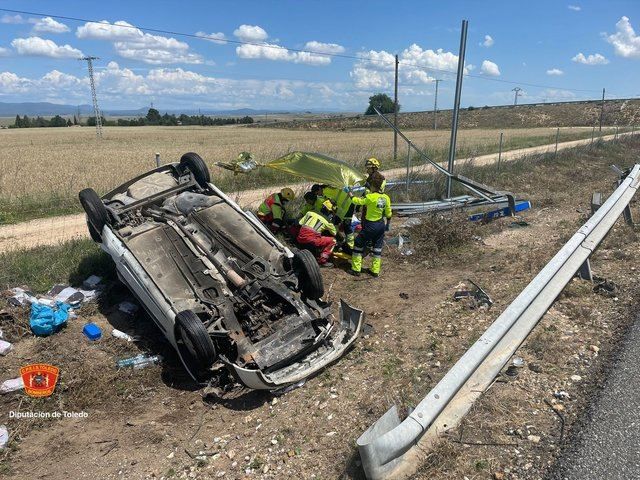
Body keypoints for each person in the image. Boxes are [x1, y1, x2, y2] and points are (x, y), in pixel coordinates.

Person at [348, 171, 391, 277]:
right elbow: (389, 213)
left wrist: (349, 193)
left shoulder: (370, 197)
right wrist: (387, 226)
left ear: (372, 185)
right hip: (381, 225)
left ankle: (356, 269)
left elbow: (357, 201)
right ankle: (375, 271)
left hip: (370, 225)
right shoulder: (386, 198)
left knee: (358, 243)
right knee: (377, 248)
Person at [296, 200, 338, 267]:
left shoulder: (310, 212)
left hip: (300, 238)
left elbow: (300, 223)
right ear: (329, 212)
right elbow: (335, 233)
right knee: (333, 240)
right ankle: (322, 261)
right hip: (312, 241)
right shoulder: (327, 221)